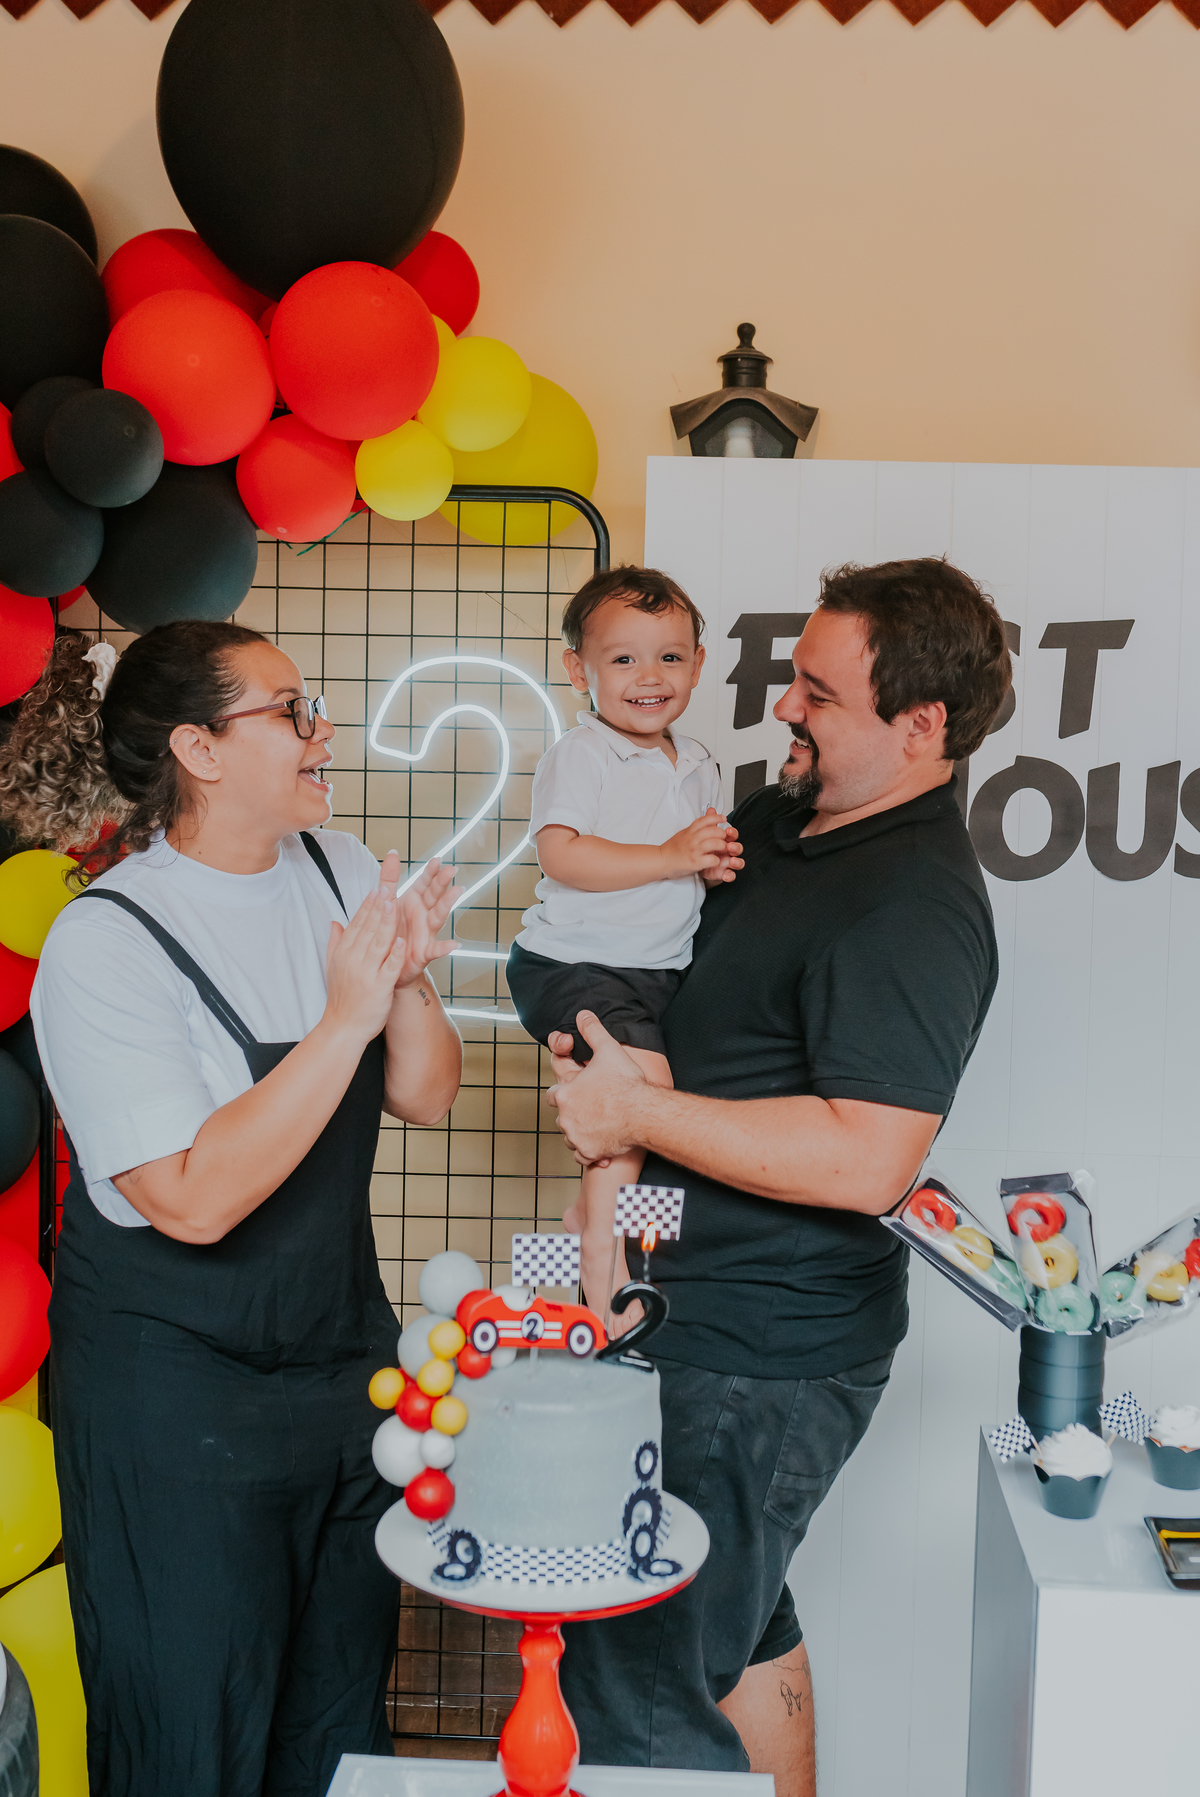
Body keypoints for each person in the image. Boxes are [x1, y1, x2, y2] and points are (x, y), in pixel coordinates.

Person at [548, 559, 1012, 1795]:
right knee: (736, 1628)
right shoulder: (769, 822)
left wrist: (634, 1105)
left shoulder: (916, 905)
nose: (783, 711)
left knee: (640, 1680)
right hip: (681, 1314)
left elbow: (869, 1160)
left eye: (818, 693)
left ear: (921, 726)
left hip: (763, 1355)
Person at [0, 621, 463, 1797]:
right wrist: (343, 1019)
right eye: (292, 712)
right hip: (173, 1397)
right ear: (200, 749)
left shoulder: (341, 869)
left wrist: (401, 982)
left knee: (336, 1717)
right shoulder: (107, 941)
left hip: (335, 1364)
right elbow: (193, 1198)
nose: (326, 734)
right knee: (189, 1721)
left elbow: (424, 1091)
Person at [505, 566, 741, 1310]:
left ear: (699, 664)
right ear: (578, 669)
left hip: (654, 971)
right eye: (623, 659)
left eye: (670, 657)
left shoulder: (696, 762)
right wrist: (673, 856)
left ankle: (594, 1223)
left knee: (666, 1116)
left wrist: (709, 867)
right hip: (579, 963)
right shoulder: (583, 755)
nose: (650, 676)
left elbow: (678, 868)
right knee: (643, 1100)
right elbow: (562, 854)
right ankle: (603, 1269)